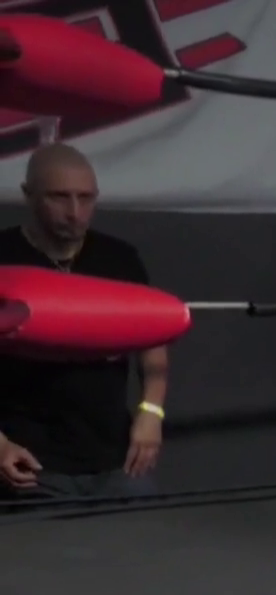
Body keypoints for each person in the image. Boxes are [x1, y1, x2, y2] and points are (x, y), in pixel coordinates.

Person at [0, 144, 169, 500]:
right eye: (59, 197)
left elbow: (153, 346)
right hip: (31, 466)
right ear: (28, 195)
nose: (74, 213)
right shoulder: (4, 258)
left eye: (85, 198)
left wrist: (152, 413)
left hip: (118, 462)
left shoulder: (119, 259)